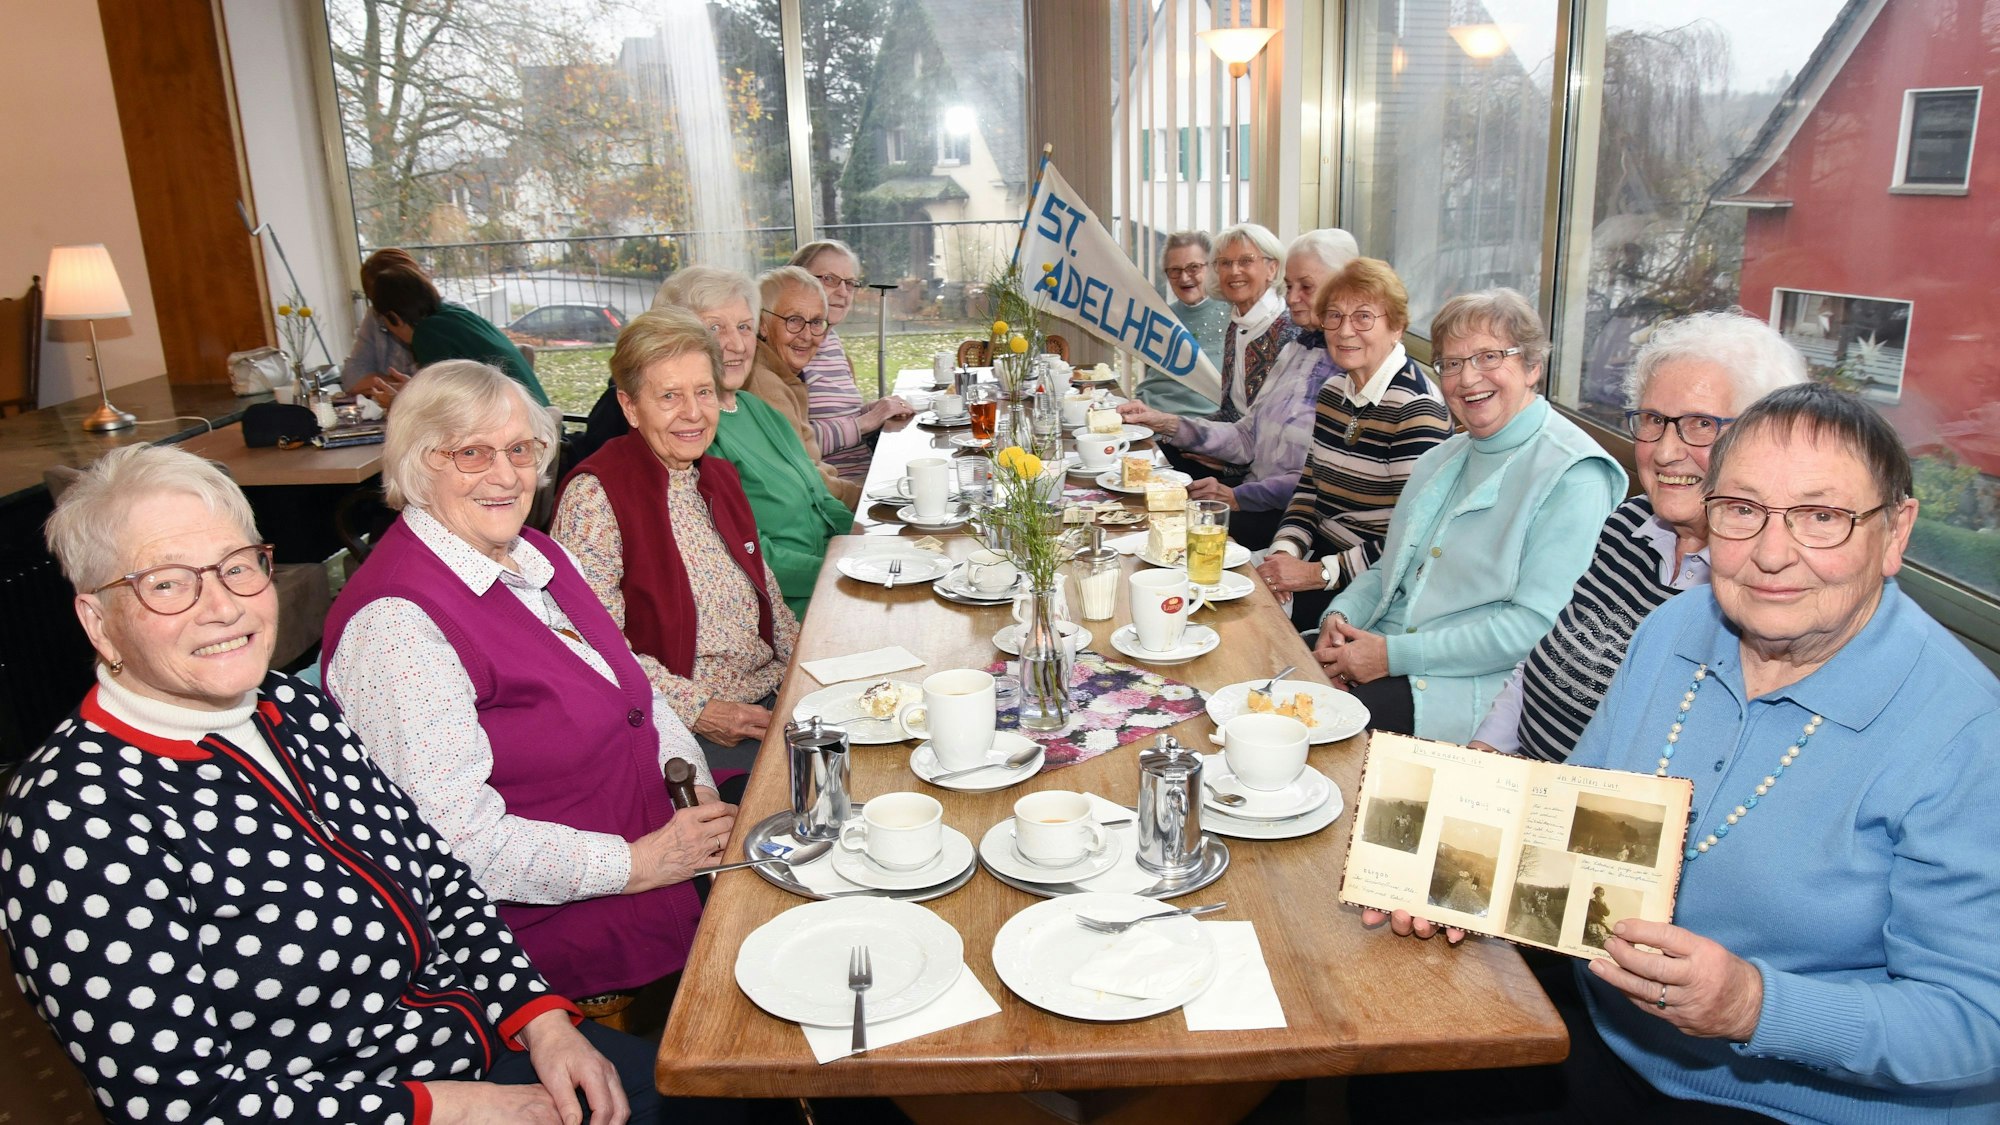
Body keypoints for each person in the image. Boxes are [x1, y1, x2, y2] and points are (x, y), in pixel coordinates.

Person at [1359, 384, 2000, 1122]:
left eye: (1821, 517)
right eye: (1742, 510)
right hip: (1609, 1032)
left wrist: (1755, 1004)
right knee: (1390, 1074)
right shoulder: (1674, 626)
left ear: (1895, 533)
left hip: (1799, 1104)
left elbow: (1977, 1020)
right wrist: (1455, 875)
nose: (1770, 552)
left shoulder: (1964, 733)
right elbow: (1573, 808)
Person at [4, 443, 659, 1124]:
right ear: (97, 620)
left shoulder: (292, 706)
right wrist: (453, 1108)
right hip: (362, 1107)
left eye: (237, 567)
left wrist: (540, 1018)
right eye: (167, 583)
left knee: (706, 1096)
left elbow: (438, 873)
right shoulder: (73, 816)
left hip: (471, 1046)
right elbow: (183, 1105)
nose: (222, 607)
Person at [323, 361, 736, 1005]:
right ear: (414, 464)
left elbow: (640, 699)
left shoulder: (538, 554)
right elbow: (456, 846)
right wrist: (641, 862)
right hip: (553, 938)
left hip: (664, 849)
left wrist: (697, 792)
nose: (505, 474)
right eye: (470, 453)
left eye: (520, 448)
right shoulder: (397, 627)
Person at [1469, 311, 1809, 761]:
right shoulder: (1628, 523)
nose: (1666, 452)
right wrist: (1485, 747)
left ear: (1761, 440)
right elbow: (1544, 657)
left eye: (1701, 424)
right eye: (1652, 420)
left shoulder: (1761, 592)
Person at [1313, 289, 1625, 741]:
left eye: (1488, 357)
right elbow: (1391, 569)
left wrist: (1391, 656)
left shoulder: (1575, 475)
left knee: (1313, 736)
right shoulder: (1442, 457)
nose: (1467, 378)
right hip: (1383, 654)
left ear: (1533, 366)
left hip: (1461, 691)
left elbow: (1537, 628)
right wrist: (1337, 622)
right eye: (1452, 364)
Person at [551, 307, 803, 771]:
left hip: (765, 700)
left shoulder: (718, 477)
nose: (693, 412)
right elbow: (592, 645)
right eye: (669, 396)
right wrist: (701, 712)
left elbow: (771, 600)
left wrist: (806, 673)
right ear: (630, 406)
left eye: (703, 391)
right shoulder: (596, 498)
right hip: (679, 730)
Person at [1115, 230, 1359, 548]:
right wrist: (1163, 422)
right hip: (1257, 495)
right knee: (1155, 510)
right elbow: (1246, 434)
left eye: (1306, 287)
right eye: (1290, 287)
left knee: (1176, 527)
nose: (1291, 298)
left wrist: (1235, 495)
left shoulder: (1348, 367)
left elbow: (1315, 480)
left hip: (1295, 517)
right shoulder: (1299, 349)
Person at [1258, 257, 1452, 629]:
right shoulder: (1334, 392)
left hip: (1377, 584)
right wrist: (1283, 554)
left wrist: (1315, 574)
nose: (1345, 331)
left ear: (1396, 327)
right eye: (1334, 316)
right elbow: (1309, 490)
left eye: (1363, 317)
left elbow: (1415, 538)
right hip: (1323, 560)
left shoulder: (1416, 408)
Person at [646, 267, 852, 616]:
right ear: (674, 336)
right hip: (784, 608)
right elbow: (749, 556)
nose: (737, 344)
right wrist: (843, 571)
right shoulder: (691, 435)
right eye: (715, 327)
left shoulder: (756, 407)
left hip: (832, 583)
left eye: (743, 326)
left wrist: (869, 546)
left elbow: (822, 500)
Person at [789, 239, 914, 482]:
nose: (843, 292)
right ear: (797, 282)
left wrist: (877, 409)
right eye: (829, 279)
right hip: (836, 491)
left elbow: (838, 414)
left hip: (867, 475)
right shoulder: (788, 352)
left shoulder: (831, 340)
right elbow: (791, 443)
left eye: (850, 283)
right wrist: (866, 421)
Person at [750, 265, 863, 508]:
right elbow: (804, 478)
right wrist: (862, 498)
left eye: (816, 322)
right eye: (794, 320)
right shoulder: (764, 384)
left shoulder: (783, 373)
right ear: (762, 324)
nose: (807, 335)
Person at [369, 263, 551, 406]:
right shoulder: (453, 315)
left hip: (518, 436)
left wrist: (400, 404)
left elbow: (447, 415)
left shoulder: (428, 334)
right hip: (542, 427)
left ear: (394, 317)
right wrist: (415, 391)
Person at [1135, 230, 1225, 416]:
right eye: (1175, 270)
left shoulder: (1235, 315)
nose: (1184, 278)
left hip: (1198, 427)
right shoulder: (1162, 316)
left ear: (1212, 268)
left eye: (1194, 267)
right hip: (1148, 418)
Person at [338, 246, 418, 404]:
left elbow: (444, 394)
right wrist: (406, 389)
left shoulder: (442, 321)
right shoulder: (375, 316)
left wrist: (409, 391)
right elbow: (352, 377)